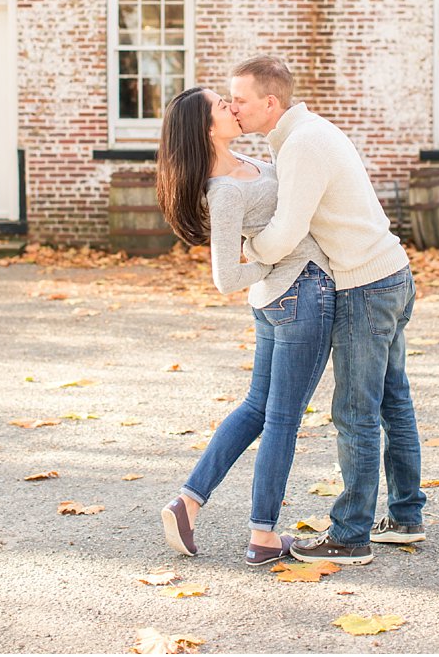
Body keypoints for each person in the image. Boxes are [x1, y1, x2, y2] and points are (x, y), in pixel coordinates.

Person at [230, 55, 426, 566]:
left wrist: (246, 252)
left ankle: (351, 534)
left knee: (355, 411)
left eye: (241, 99)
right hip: (391, 272)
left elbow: (287, 233)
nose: (233, 107)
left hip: (366, 284)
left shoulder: (303, 146)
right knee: (391, 401)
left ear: (270, 103)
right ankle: (405, 518)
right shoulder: (306, 134)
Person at [155, 86, 335, 566]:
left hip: (284, 298)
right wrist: (267, 262)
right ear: (205, 128)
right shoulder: (225, 189)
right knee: (281, 418)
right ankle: (263, 535)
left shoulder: (248, 162)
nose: (232, 108)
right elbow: (225, 277)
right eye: (221, 106)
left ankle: (187, 503)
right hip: (298, 295)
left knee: (259, 408)